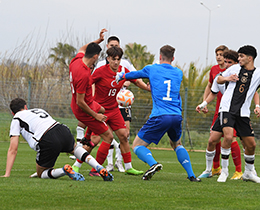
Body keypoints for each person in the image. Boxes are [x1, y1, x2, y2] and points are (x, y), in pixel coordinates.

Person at [116, 45, 201, 181]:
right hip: (176, 115)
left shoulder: (152, 69)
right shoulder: (178, 73)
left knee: (137, 145)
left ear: (160, 57)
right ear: (173, 58)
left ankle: (153, 164)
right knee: (177, 144)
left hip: (160, 115)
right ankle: (192, 175)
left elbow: (135, 75)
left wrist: (122, 76)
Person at [72, 46, 150, 176]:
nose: (116, 62)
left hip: (114, 110)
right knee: (95, 140)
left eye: (118, 59)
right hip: (100, 110)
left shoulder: (123, 71)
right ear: (108, 59)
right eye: (113, 59)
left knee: (124, 136)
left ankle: (128, 167)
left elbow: (136, 81)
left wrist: (148, 89)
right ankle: (77, 166)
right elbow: (88, 82)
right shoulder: (100, 71)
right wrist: (90, 100)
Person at [1, 98, 113, 181]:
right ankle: (99, 167)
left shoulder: (16, 118)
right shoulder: (38, 110)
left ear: (12, 113)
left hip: (47, 138)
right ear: (26, 107)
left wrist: (7, 173)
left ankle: (64, 170)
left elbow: (13, 148)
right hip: (62, 129)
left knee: (42, 173)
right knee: (75, 149)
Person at [196, 50, 259, 180]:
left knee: (251, 144)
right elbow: (216, 82)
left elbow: (254, 92)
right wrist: (227, 78)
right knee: (224, 138)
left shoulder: (257, 73)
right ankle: (222, 171)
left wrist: (257, 106)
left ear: (250, 58)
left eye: (241, 56)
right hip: (226, 109)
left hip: (242, 113)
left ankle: (248, 172)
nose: (239, 59)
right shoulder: (232, 69)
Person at [69, 29, 116, 177]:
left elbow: (83, 48)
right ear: (95, 57)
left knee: (104, 109)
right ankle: (96, 170)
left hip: (90, 104)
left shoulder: (76, 60)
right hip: (84, 109)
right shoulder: (83, 73)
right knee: (108, 137)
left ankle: (88, 138)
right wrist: (95, 116)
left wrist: (98, 40)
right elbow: (80, 102)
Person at [201, 45, 229, 177]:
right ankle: (215, 168)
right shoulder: (214, 70)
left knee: (233, 139)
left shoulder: (232, 70)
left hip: (232, 111)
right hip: (219, 110)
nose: (219, 57)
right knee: (214, 139)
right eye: (217, 54)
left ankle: (239, 170)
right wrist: (204, 102)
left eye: (221, 54)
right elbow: (210, 87)